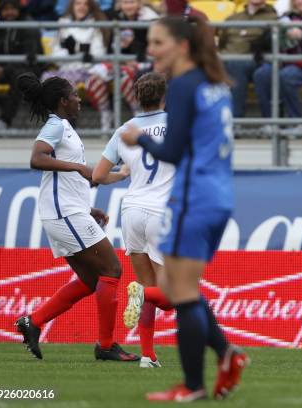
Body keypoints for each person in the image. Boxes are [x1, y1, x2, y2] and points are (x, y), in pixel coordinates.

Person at [119, 16, 248, 402]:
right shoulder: (215, 83)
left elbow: (171, 151)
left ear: (183, 46)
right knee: (179, 289)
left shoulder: (184, 86)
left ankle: (193, 385)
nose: (151, 50)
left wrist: (137, 136)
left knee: (183, 293)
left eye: (158, 42)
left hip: (194, 197)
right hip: (217, 196)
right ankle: (226, 354)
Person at [14, 72, 139, 362]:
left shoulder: (65, 127)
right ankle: (106, 345)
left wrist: (88, 209)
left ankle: (34, 321)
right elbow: (37, 158)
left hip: (67, 212)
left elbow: (63, 181)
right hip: (62, 214)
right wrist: (78, 168)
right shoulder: (56, 126)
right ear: (62, 101)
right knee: (112, 270)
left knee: (91, 279)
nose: (79, 99)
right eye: (74, 95)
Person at [92, 72, 175, 368]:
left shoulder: (125, 129)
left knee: (147, 285)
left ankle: (148, 356)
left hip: (132, 211)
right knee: (172, 293)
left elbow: (98, 176)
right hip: (162, 212)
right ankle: (140, 295)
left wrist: (122, 174)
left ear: (138, 98)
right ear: (164, 96)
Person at [86, 0, 159, 129]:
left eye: (132, 2)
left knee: (125, 76)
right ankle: (105, 114)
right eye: (125, 2)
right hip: (118, 62)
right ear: (120, 5)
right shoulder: (114, 18)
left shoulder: (150, 19)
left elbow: (148, 49)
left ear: (139, 4)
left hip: (144, 64)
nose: (129, 6)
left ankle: (139, 113)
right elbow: (110, 49)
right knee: (95, 79)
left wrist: (132, 44)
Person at [42, 0, 112, 128]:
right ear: (72, 6)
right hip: (65, 67)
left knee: (87, 82)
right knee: (47, 78)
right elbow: (56, 53)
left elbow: (97, 52)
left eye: (85, 4)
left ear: (90, 7)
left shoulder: (96, 23)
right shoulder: (63, 23)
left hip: (86, 70)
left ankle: (105, 119)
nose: (82, 7)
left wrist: (76, 49)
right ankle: (55, 122)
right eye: (78, 3)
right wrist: (69, 51)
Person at [0, 0, 43, 131]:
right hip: (1, 69)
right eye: (5, 9)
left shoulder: (29, 26)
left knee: (19, 78)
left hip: (27, 69)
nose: (9, 13)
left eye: (12, 9)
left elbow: (29, 57)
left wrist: (1, 70)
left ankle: (4, 121)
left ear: (19, 10)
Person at [218, 0, 278, 118]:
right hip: (228, 63)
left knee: (241, 67)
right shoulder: (232, 18)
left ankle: (238, 120)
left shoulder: (273, 18)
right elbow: (222, 43)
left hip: (257, 61)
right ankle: (234, 121)